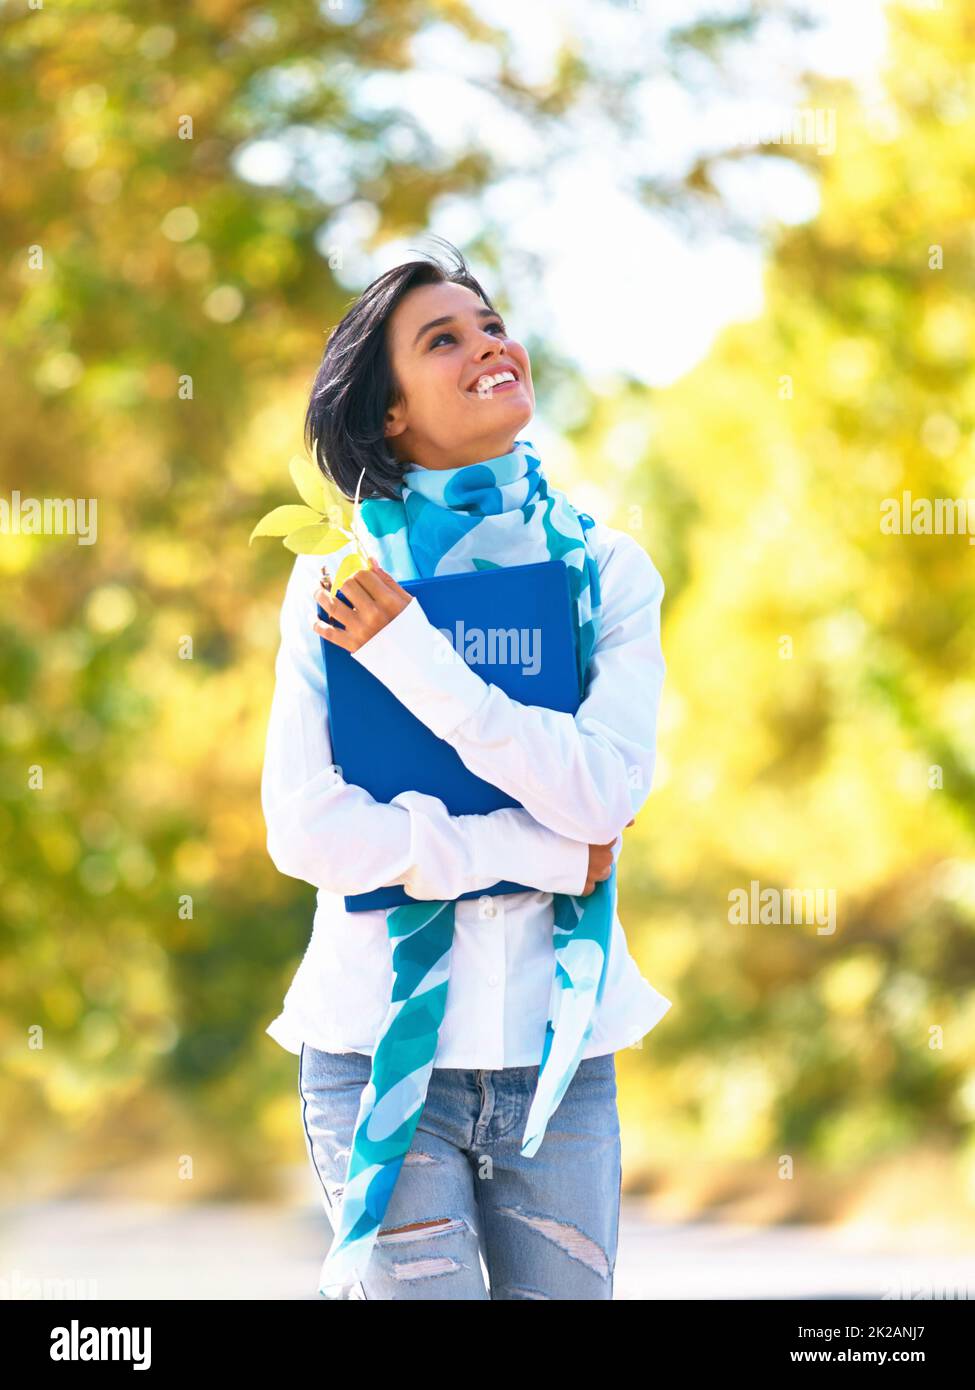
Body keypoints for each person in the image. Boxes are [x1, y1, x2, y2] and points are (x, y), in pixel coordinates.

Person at [261, 237, 672, 1299]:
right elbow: (307, 831)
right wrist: (530, 850)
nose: (489, 345)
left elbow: (605, 793)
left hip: (558, 1071)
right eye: (442, 339)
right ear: (390, 411)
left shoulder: (607, 570)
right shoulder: (336, 582)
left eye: (490, 324)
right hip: (372, 1061)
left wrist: (414, 659)